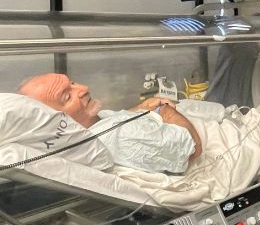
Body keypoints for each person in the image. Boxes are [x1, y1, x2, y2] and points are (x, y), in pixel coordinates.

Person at [18, 73, 202, 171]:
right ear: (55, 122)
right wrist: (164, 110)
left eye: (72, 83)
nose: (83, 88)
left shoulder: (94, 125)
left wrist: (141, 107)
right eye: (67, 96)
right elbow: (192, 148)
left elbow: (117, 119)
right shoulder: (118, 138)